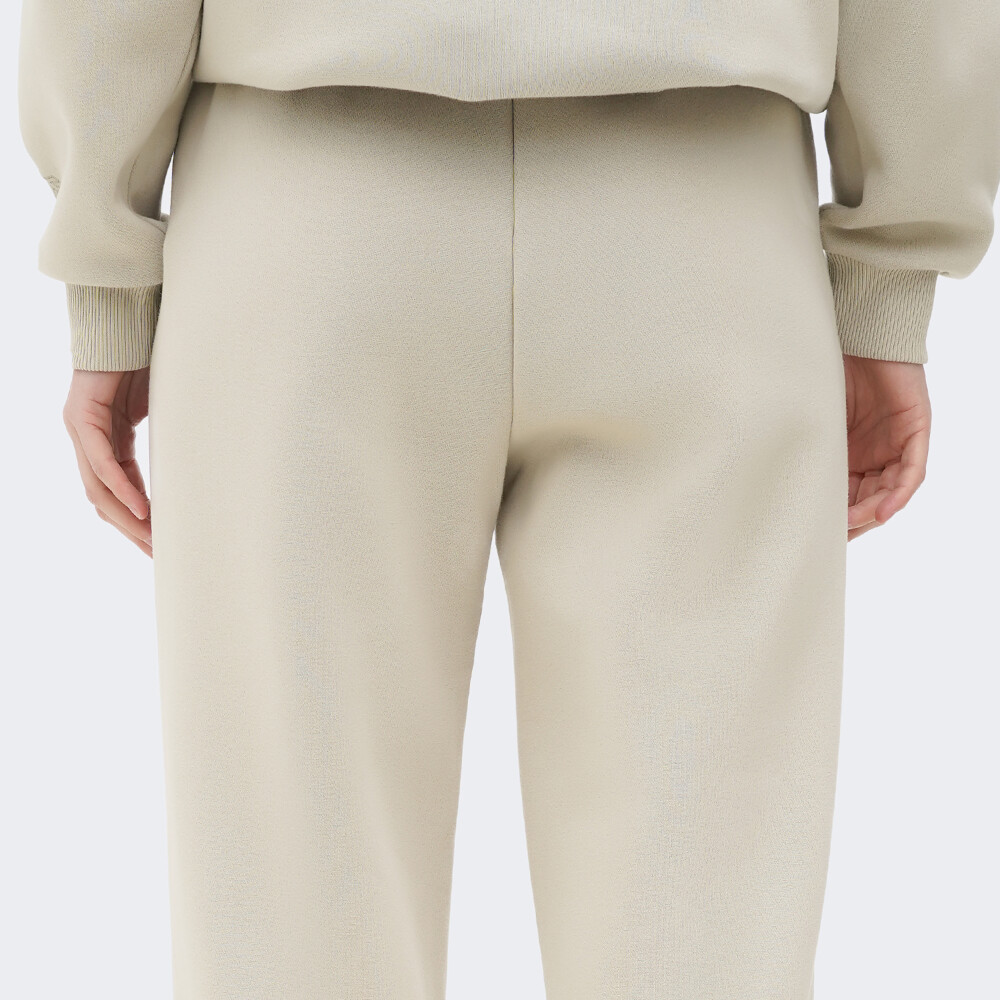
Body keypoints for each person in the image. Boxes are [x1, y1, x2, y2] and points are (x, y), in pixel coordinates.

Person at [16, 2, 1000, 998]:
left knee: (295, 904)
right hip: (705, 234)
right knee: (704, 916)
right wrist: (890, 276)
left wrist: (108, 276)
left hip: (312, 232)